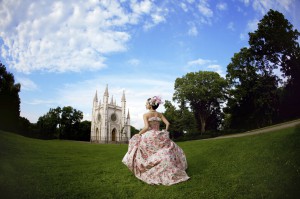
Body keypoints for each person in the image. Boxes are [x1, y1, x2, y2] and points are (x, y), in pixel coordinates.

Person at [122, 96, 190, 185]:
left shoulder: (146, 115)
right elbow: (168, 123)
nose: (145, 105)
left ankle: (148, 167)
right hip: (159, 135)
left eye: (146, 103)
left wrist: (139, 133)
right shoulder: (159, 114)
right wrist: (165, 131)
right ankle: (167, 166)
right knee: (164, 149)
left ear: (150, 105)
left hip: (150, 136)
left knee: (145, 150)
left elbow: (146, 127)